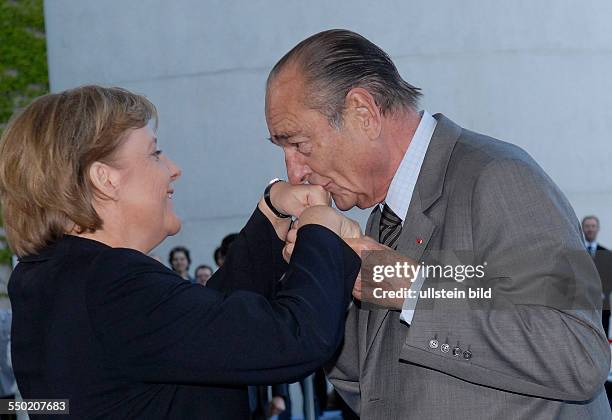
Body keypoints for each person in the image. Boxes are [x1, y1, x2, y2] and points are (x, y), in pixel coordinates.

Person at [270, 29, 611, 418]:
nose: (293, 172)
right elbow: (375, 389)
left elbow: (579, 352)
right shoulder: (381, 219)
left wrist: (415, 289)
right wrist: (322, 290)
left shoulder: (498, 176)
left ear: (363, 113)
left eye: (299, 144)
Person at [0, 85, 362, 419]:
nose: (173, 169)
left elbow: (208, 330)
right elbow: (295, 339)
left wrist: (271, 216)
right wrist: (320, 230)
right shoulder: (112, 284)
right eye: (154, 153)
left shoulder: (52, 277)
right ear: (104, 179)